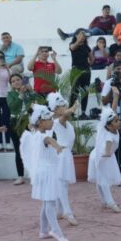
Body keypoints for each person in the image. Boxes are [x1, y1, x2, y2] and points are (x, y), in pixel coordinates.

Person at [22, 104, 68, 241]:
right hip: (47, 172)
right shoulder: (43, 136)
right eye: (49, 120)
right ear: (41, 122)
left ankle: (43, 230)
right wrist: (57, 146)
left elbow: (46, 138)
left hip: (44, 171)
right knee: (50, 202)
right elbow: (49, 140)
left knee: (46, 202)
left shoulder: (36, 134)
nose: (52, 121)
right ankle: (55, 230)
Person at [48, 93, 79, 226]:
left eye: (64, 106)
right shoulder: (57, 122)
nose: (64, 108)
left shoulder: (66, 123)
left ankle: (60, 210)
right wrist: (72, 108)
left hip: (66, 154)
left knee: (62, 183)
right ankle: (67, 210)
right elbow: (65, 115)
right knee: (61, 183)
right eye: (61, 106)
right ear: (55, 110)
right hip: (60, 155)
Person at [87, 107, 121, 213]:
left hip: (106, 156)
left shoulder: (112, 130)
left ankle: (104, 201)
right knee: (103, 180)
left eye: (118, 119)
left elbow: (113, 108)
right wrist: (107, 154)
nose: (119, 122)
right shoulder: (108, 137)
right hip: (101, 157)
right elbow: (107, 148)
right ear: (109, 125)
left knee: (101, 179)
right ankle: (110, 202)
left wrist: (115, 98)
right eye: (116, 121)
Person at [7, 73, 36, 186]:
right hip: (15, 123)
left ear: (22, 80)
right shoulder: (10, 94)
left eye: (18, 80)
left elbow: (36, 103)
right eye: (13, 81)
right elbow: (13, 107)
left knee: (32, 148)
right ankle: (20, 176)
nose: (16, 82)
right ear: (11, 84)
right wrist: (21, 95)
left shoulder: (29, 92)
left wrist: (31, 91)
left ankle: (34, 174)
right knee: (19, 149)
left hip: (29, 122)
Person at [68, 30, 93, 119]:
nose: (83, 36)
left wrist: (88, 65)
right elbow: (73, 48)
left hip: (86, 71)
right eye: (81, 34)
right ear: (76, 35)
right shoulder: (72, 44)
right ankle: (71, 112)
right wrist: (79, 40)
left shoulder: (86, 46)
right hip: (76, 70)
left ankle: (83, 112)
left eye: (84, 35)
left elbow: (91, 58)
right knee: (74, 92)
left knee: (85, 92)